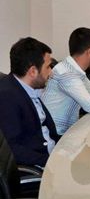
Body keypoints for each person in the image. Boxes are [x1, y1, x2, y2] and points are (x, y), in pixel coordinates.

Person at [0, 37, 61, 166]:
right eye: (48, 67)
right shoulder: (7, 97)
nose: (51, 73)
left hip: (53, 154)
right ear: (33, 71)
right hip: (39, 166)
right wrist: (53, 162)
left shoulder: (29, 88)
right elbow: (14, 150)